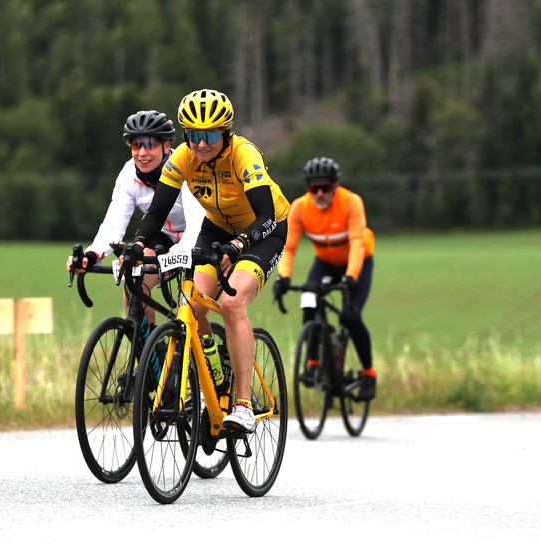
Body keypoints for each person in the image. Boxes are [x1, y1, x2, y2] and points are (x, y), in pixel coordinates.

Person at [122, 89, 289, 433]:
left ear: (226, 133)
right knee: (192, 308)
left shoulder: (244, 155)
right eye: (193, 135)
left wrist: (239, 245)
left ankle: (242, 404)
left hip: (261, 233)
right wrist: (138, 242)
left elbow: (267, 216)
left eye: (209, 135)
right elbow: (157, 212)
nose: (201, 144)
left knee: (231, 303)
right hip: (216, 228)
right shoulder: (183, 157)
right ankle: (210, 378)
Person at [67, 110, 203, 327]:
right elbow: (114, 223)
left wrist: (173, 260)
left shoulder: (187, 166)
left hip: (201, 237)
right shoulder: (128, 175)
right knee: (134, 281)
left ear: (166, 146)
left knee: (186, 314)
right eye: (135, 145)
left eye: (149, 144)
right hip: (164, 237)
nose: (141, 153)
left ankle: (206, 356)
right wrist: (92, 255)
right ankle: (150, 355)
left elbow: (196, 226)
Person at [273, 157, 377, 400]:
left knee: (350, 316)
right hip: (325, 262)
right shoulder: (299, 208)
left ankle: (369, 373)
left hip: (357, 260)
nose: (319, 193)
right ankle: (312, 362)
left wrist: (351, 276)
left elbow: (358, 243)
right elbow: (289, 248)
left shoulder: (351, 202)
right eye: (313, 188)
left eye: (325, 188)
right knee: (309, 300)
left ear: (335, 186)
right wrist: (283, 277)